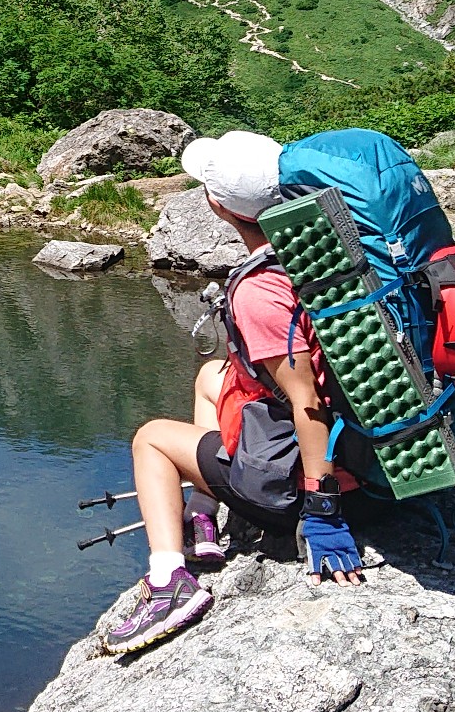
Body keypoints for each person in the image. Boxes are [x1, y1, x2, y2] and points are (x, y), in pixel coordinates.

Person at [97, 131, 362, 656]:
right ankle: (203, 510)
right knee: (212, 375)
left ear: (218, 206)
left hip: (315, 486)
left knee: (150, 439)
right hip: (361, 445)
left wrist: (322, 511)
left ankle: (171, 580)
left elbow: (305, 400)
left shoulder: (261, 289)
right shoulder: (320, 251)